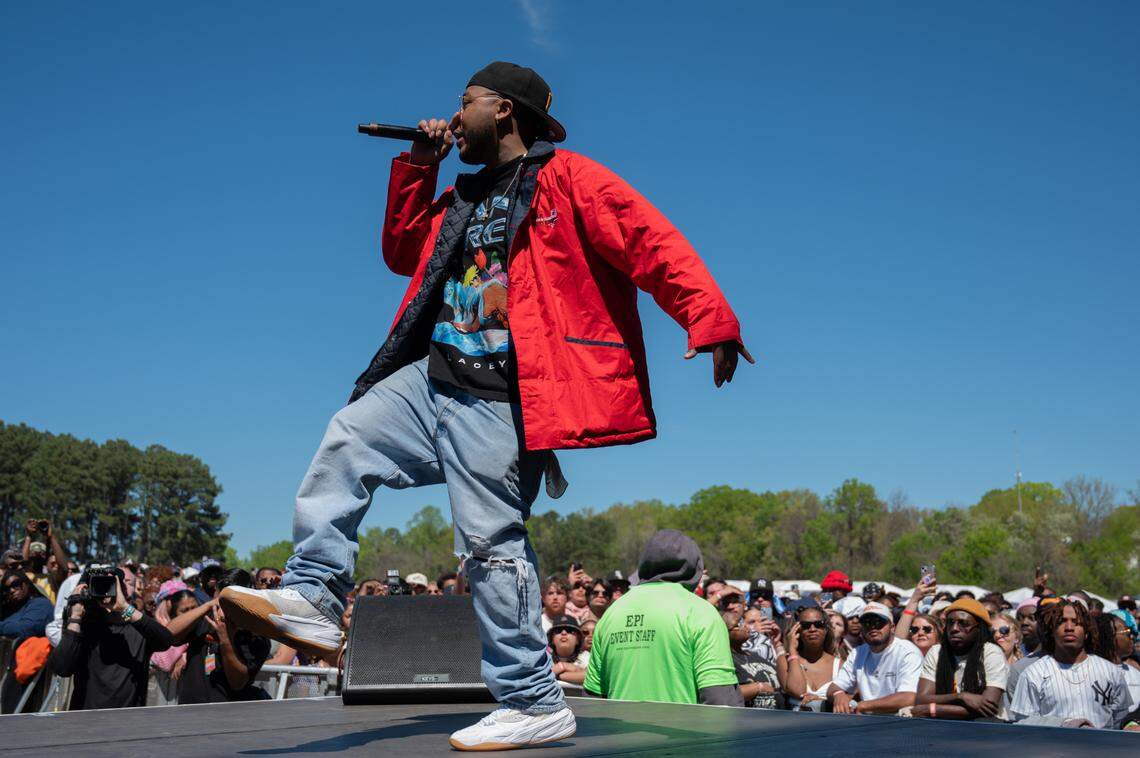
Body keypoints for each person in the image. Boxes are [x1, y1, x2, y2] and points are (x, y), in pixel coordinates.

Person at [220, 60, 749, 749]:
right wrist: (420, 166)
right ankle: (317, 593)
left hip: (504, 396)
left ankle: (534, 699)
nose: (452, 113)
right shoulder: (461, 196)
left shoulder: (568, 180)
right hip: (432, 377)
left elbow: (648, 240)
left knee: (491, 545)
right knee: (348, 436)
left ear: (503, 110)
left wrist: (708, 317)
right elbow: (402, 251)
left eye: (463, 102)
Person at [584, 530, 742, 706]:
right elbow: (720, 700)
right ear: (695, 567)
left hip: (618, 733)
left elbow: (593, 697)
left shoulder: (611, 614)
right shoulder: (701, 612)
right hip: (682, 733)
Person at [48, 565, 175, 710]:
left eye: (111, 585)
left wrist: (124, 608)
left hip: (128, 720)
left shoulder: (137, 625)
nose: (105, 591)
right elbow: (62, 668)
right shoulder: (83, 626)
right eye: (97, 586)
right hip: (84, 718)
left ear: (124, 590)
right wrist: (75, 616)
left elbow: (166, 641)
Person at [1009, 599, 1134, 729]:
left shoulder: (1111, 672)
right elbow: (1023, 722)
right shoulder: (1033, 674)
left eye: (1076, 622)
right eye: (1062, 622)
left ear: (1086, 632)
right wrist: (1063, 724)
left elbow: (1119, 720)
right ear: (1052, 631)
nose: (1069, 628)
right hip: (1051, 747)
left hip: (1100, 748)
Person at [167, 569, 271, 704]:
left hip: (226, 716)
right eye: (220, 600)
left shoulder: (256, 636)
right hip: (189, 711)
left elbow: (238, 683)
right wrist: (209, 605)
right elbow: (169, 634)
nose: (223, 610)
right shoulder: (205, 618)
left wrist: (225, 639)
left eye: (231, 602)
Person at [914, 598, 1008, 720]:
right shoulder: (936, 652)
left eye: (963, 624)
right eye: (950, 622)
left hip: (986, 728)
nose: (954, 629)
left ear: (979, 628)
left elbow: (988, 707)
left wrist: (932, 709)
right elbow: (921, 699)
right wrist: (961, 697)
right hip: (944, 726)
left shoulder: (991, 653)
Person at [827, 601, 922, 715]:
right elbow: (834, 687)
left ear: (892, 627)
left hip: (898, 720)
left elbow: (908, 698)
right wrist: (838, 694)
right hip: (863, 720)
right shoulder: (858, 652)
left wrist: (863, 705)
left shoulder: (908, 652)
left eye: (879, 622)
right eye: (867, 623)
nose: (872, 627)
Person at [1, 569, 55, 713]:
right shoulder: (12, 609)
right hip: (11, 675)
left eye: (15, 584)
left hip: (27, 681)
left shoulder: (40, 604)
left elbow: (25, 628)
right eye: (7, 589)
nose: (11, 590)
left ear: (26, 585)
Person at [782, 605, 840, 711]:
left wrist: (820, 700)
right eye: (805, 625)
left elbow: (851, 699)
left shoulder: (840, 664)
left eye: (818, 625)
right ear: (797, 631)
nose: (812, 629)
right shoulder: (785, 660)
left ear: (826, 629)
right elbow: (798, 691)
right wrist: (792, 650)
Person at [150, 581, 197, 705]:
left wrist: (185, 656)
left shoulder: (199, 626)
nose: (190, 613)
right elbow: (164, 661)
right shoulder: (157, 626)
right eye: (184, 609)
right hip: (159, 691)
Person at [724, 608, 781, 709]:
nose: (745, 626)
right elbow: (724, 694)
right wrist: (759, 687)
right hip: (750, 720)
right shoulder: (726, 659)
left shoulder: (755, 655)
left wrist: (778, 644)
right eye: (738, 625)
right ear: (724, 632)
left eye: (742, 622)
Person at [1096, 612, 1140, 706]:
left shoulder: (1135, 673)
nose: (1131, 637)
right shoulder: (1092, 671)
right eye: (1127, 632)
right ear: (1109, 636)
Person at [20, 520, 69, 602]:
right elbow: (22, 564)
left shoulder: (52, 578)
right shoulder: (23, 576)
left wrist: (50, 537)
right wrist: (28, 536)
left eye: (41, 553)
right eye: (33, 553)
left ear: (46, 558)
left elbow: (64, 568)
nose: (37, 554)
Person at [547, 614, 587, 685]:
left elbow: (591, 677)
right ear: (552, 639)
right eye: (558, 631)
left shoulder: (586, 657)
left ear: (578, 639)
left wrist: (562, 667)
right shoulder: (544, 658)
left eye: (570, 630)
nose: (564, 633)